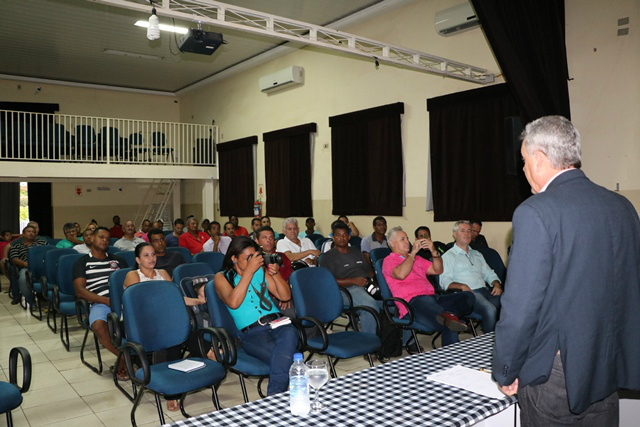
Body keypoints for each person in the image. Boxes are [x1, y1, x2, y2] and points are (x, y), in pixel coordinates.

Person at [493, 116, 640, 426]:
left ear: (539, 157)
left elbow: (520, 307)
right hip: (605, 360)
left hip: (558, 371)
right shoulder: (622, 207)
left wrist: (506, 368)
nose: (523, 171)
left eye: (523, 161)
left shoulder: (536, 211)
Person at [214, 236, 299, 395]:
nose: (253, 262)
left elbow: (285, 296)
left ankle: (273, 400)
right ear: (234, 258)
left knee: (290, 333)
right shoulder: (221, 277)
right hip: (252, 333)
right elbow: (233, 302)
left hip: (278, 322)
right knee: (289, 360)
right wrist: (249, 272)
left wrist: (276, 274)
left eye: (254, 257)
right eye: (248, 258)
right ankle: (279, 397)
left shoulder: (260, 271)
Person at [122, 242, 200, 412]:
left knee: (186, 328)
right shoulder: (132, 275)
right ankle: (172, 392)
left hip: (165, 319)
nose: (151, 258)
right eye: (146, 255)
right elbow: (139, 305)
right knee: (172, 334)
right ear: (137, 259)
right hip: (141, 322)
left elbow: (176, 298)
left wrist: (198, 301)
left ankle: (202, 357)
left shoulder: (163, 273)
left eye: (153, 255)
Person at [382, 226, 474, 346]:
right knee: (448, 324)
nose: (407, 242)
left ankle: (449, 316)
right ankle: (450, 319)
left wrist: (434, 252)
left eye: (407, 238)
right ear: (392, 243)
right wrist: (413, 252)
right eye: (402, 239)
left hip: (433, 299)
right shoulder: (389, 261)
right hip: (413, 303)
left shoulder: (418, 259)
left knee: (468, 296)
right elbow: (401, 274)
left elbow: (438, 270)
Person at [72, 227, 128, 378]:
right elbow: (80, 291)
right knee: (98, 326)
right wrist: (106, 301)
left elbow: (130, 282)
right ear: (91, 239)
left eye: (107, 238)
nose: (104, 240)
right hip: (100, 303)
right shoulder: (82, 262)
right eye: (101, 237)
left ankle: (145, 356)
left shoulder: (118, 260)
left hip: (124, 301)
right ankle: (123, 357)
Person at [440, 220, 502, 333]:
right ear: (454, 234)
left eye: (469, 231)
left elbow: (489, 273)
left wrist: (496, 284)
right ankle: (490, 344)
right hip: (469, 295)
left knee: (508, 302)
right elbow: (444, 282)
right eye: (462, 231)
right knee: (490, 310)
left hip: (486, 291)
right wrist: (462, 286)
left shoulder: (477, 254)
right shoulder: (448, 256)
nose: (467, 233)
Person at [320, 221, 380, 335]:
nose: (341, 238)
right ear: (333, 237)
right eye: (338, 235)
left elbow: (368, 270)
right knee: (370, 307)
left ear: (349, 237)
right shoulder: (327, 257)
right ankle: (368, 344)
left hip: (366, 286)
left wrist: (378, 282)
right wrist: (353, 281)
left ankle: (397, 342)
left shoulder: (356, 251)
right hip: (345, 289)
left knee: (392, 303)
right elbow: (327, 281)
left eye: (344, 235)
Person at [8, 225, 48, 304]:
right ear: (23, 234)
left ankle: (46, 299)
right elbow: (14, 259)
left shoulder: (42, 243)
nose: (31, 233)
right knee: (23, 277)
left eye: (33, 232)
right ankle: (30, 300)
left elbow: (49, 254)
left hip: (43, 267)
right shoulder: (17, 246)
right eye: (29, 231)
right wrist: (24, 263)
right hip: (26, 267)